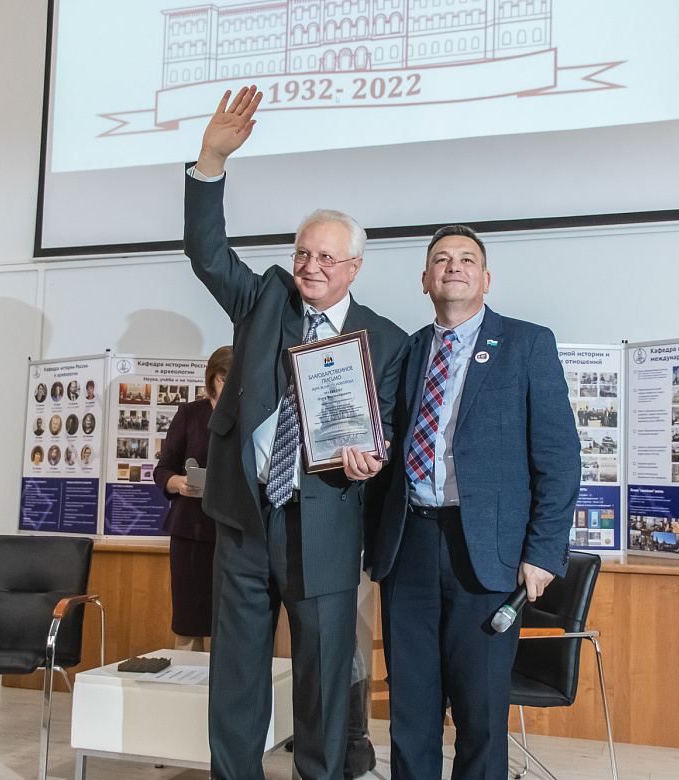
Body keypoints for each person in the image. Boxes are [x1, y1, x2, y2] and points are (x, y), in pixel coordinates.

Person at [184, 86, 407, 780]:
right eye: (303, 252)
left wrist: (373, 460)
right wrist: (211, 162)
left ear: (354, 267)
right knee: (236, 678)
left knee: (323, 682)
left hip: (327, 527)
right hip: (246, 520)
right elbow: (207, 252)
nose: (311, 266)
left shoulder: (386, 341)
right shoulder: (264, 300)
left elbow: (386, 430)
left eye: (326, 258)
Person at [353, 225, 580, 780]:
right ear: (425, 280)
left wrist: (543, 551)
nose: (453, 266)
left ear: (485, 278)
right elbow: (388, 448)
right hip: (408, 546)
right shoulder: (406, 351)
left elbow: (559, 457)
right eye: (441, 259)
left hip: (486, 553)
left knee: (481, 713)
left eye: (466, 259)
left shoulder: (526, 343)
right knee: (411, 709)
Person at [153, 346, 232, 652]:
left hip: (233, 534)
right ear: (213, 379)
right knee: (188, 622)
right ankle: (185, 680)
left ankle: (223, 684)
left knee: (230, 625)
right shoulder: (189, 414)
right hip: (191, 534)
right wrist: (180, 484)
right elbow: (163, 470)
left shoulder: (248, 414)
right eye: (225, 378)